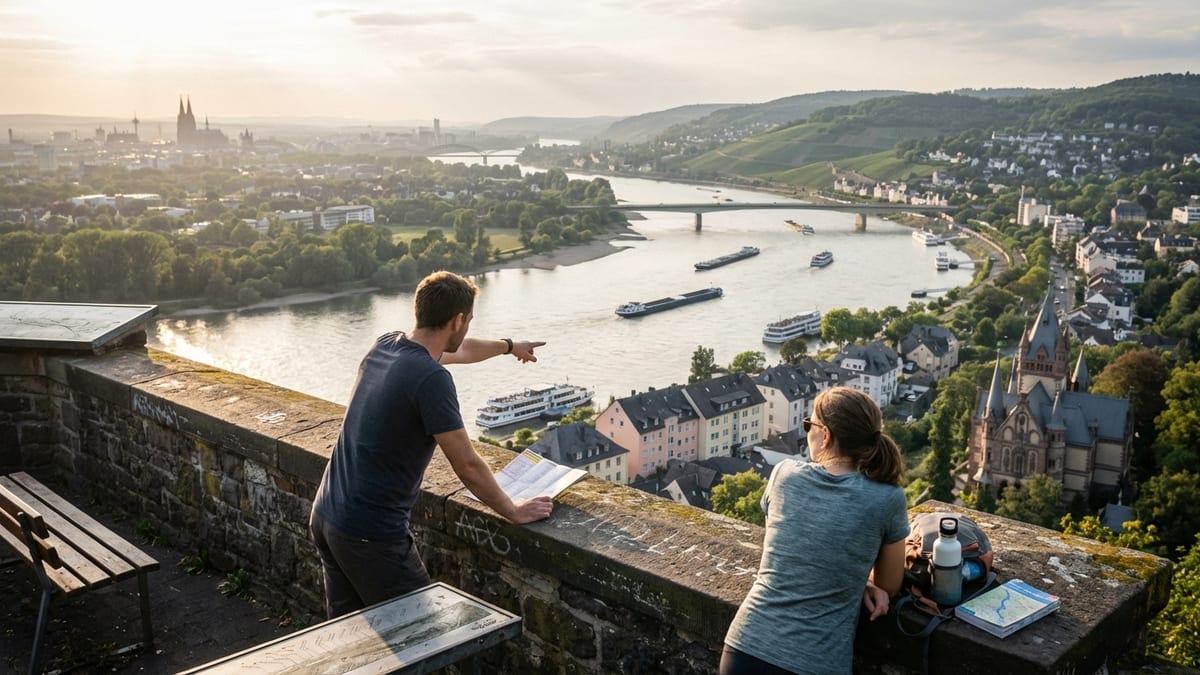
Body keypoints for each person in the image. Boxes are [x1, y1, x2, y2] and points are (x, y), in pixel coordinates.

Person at [309, 270, 554, 619]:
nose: (468, 327)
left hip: (327, 515)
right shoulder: (432, 379)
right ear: (457, 320)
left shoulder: (387, 345)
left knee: (351, 644)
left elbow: (462, 350)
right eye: (468, 320)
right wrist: (512, 510)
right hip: (370, 534)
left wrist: (510, 346)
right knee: (418, 636)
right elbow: (466, 463)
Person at [721, 386, 908, 674]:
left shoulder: (783, 475)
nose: (806, 431)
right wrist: (859, 581)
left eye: (809, 424)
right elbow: (891, 583)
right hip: (816, 661)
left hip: (745, 648)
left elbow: (793, 547)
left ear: (827, 435)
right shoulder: (888, 498)